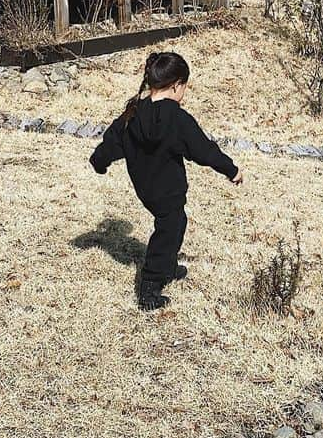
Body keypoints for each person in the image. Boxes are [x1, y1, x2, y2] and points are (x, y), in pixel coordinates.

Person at [89, 51, 243, 311]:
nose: (184, 92)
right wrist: (231, 170)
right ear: (176, 85)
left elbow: (112, 141)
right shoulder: (178, 119)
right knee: (169, 229)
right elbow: (204, 150)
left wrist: (99, 162)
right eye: (184, 87)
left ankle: (168, 266)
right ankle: (150, 285)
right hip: (168, 190)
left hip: (145, 188)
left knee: (174, 224)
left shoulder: (133, 112)